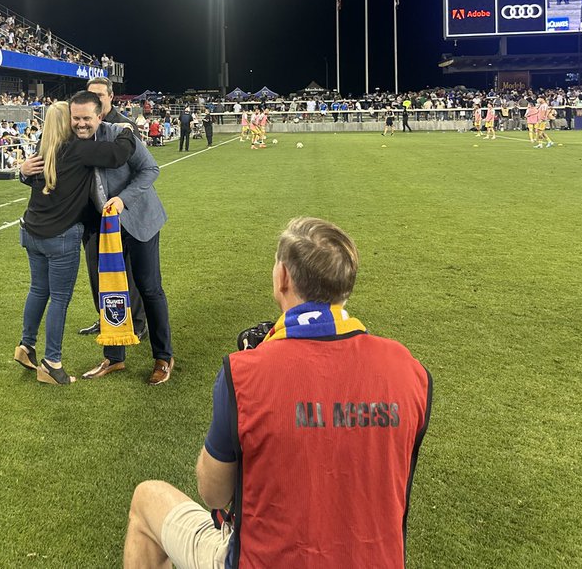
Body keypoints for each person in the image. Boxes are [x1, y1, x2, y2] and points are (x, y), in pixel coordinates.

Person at [123, 217, 432, 569]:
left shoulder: (245, 373)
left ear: (282, 276)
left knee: (146, 499)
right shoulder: (410, 372)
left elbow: (214, 494)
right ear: (346, 284)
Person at [14, 101, 137, 385]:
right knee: (59, 298)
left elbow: (29, 181)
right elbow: (118, 153)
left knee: (38, 290)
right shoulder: (78, 149)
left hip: (31, 232)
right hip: (60, 237)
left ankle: (26, 345)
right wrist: (128, 129)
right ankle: (51, 363)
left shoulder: (41, 153)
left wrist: (22, 172)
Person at [68, 91, 175, 385]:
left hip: (139, 221)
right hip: (102, 230)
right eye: (75, 118)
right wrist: (26, 173)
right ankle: (114, 357)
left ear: (99, 115)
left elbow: (150, 169)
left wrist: (122, 200)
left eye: (86, 118)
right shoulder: (69, 142)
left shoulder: (119, 134)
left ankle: (163, 357)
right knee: (110, 289)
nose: (80, 124)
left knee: (149, 287)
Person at [78, 77, 147, 338]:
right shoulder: (82, 126)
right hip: (92, 214)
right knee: (96, 270)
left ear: (111, 97)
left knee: (126, 270)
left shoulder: (125, 126)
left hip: (120, 213)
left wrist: (123, 202)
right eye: (90, 95)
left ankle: (138, 322)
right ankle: (105, 318)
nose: (95, 100)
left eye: (100, 95)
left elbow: (141, 169)